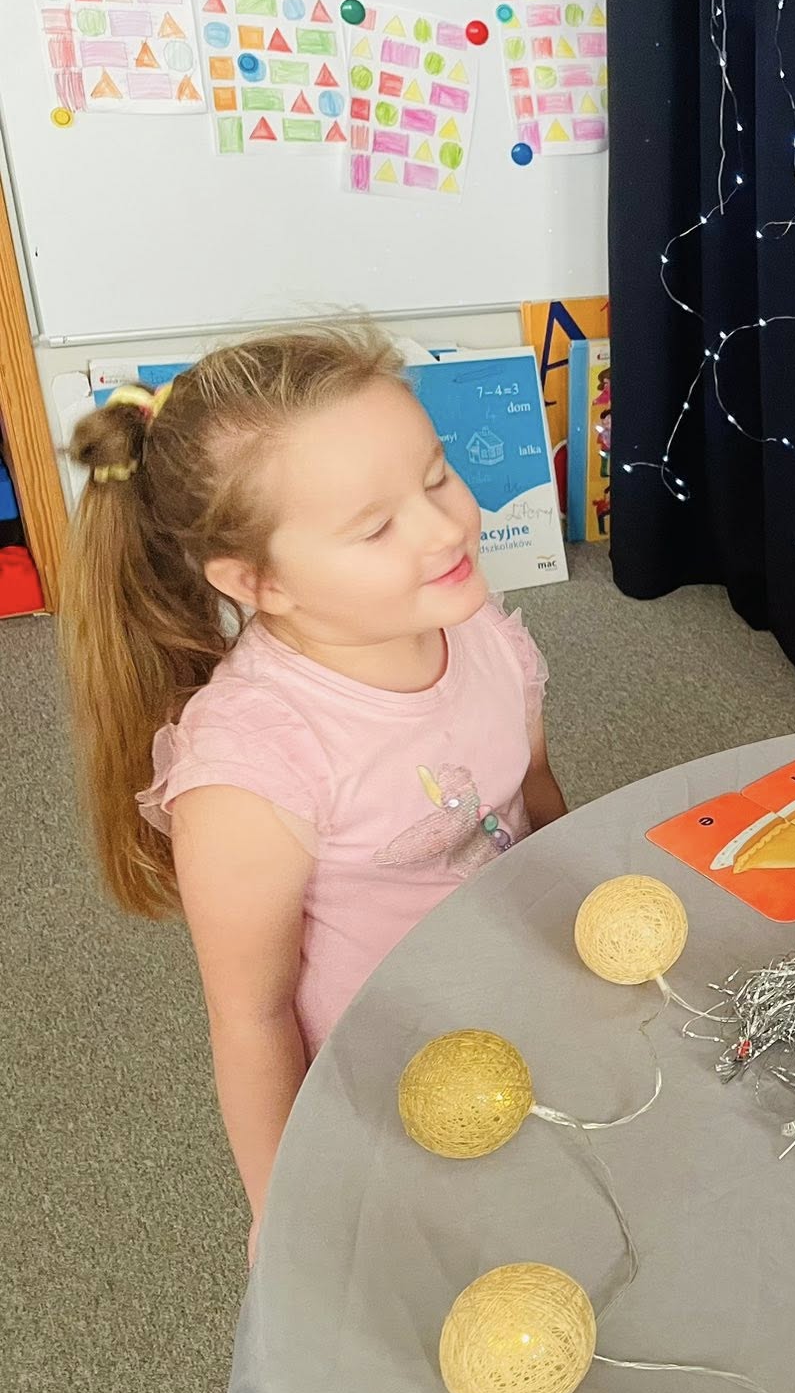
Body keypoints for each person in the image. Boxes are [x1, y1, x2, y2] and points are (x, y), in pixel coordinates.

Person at [60, 327, 565, 1261]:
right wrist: (282, 1211)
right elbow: (251, 1019)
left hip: (526, 996)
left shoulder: (478, 628)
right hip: (389, 1077)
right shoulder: (251, 769)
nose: (446, 527)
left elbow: (534, 797)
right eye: (376, 528)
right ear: (257, 582)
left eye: (436, 476)